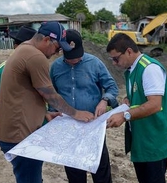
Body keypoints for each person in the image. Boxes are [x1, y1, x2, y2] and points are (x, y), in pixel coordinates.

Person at [0, 21, 94, 183]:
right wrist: (76, 113)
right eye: (57, 48)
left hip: (14, 130)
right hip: (21, 135)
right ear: (47, 40)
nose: (57, 53)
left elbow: (21, 94)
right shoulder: (35, 56)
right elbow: (49, 94)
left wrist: (43, 113)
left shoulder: (24, 49)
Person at [106, 33, 167, 183]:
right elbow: (141, 96)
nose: (114, 63)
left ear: (129, 51)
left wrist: (124, 116)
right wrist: (129, 100)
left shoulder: (149, 69)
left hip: (153, 139)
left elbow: (155, 104)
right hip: (142, 137)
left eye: (116, 58)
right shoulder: (132, 70)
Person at [49, 29, 118, 183]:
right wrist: (51, 114)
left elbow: (112, 88)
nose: (75, 60)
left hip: (93, 125)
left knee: (100, 169)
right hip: (68, 128)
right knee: (74, 171)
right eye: (70, 57)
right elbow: (51, 95)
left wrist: (104, 100)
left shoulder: (95, 63)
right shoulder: (55, 68)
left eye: (77, 56)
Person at [0, 26, 37, 120]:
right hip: (19, 128)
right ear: (17, 46)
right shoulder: (4, 68)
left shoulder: (36, 67)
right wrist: (1, 121)